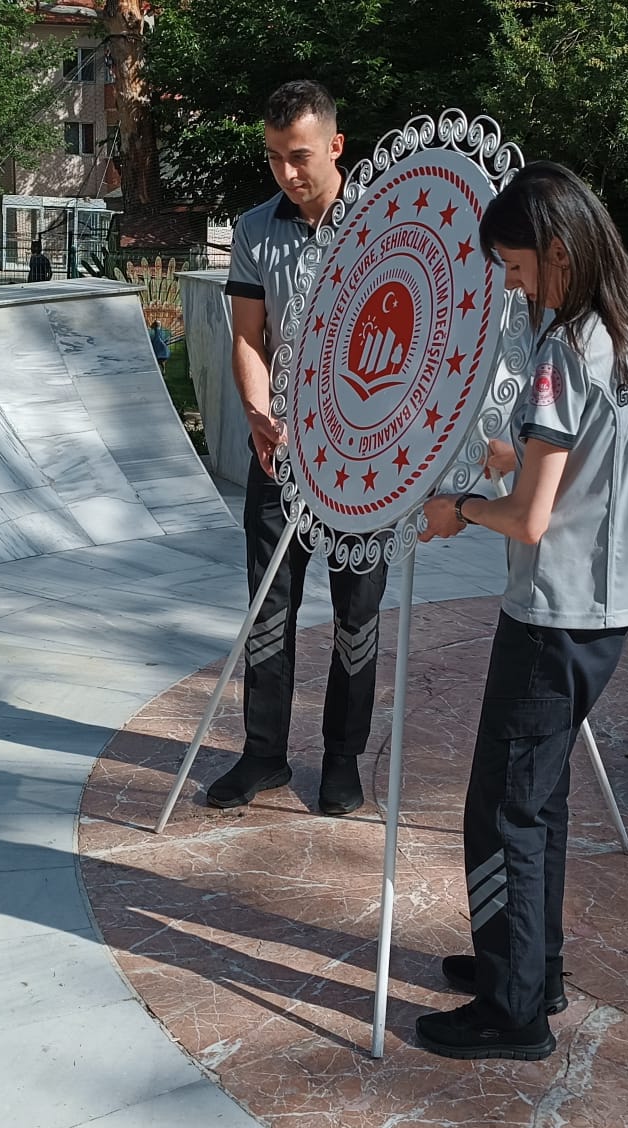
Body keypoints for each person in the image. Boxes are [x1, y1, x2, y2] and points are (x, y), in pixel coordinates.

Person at [412, 161, 628, 1061]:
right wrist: (500, 452)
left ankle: (511, 1013)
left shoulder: (564, 352)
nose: (513, 286)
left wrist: (459, 511)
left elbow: (529, 516)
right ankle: (532, 966)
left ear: (559, 252)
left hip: (553, 612)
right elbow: (577, 464)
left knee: (504, 811)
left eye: (517, 268)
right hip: (609, 608)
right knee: (542, 799)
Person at [205, 79, 387, 817]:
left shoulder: (382, 221)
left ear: (336, 146)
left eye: (301, 156)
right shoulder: (256, 228)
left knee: (357, 615)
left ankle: (341, 761)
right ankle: (263, 755)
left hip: (364, 463)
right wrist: (256, 409)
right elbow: (248, 335)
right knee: (268, 609)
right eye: (276, 157)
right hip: (280, 456)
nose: (288, 172)